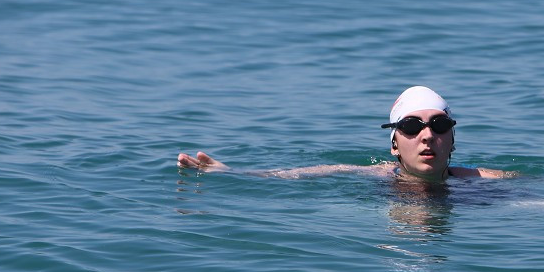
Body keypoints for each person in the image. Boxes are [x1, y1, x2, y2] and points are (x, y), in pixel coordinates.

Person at [177, 86, 514, 182]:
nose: (427, 136)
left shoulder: (482, 180)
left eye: (439, 126)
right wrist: (232, 174)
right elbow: (287, 176)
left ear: (452, 140)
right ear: (394, 144)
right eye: (411, 126)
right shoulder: (369, 176)